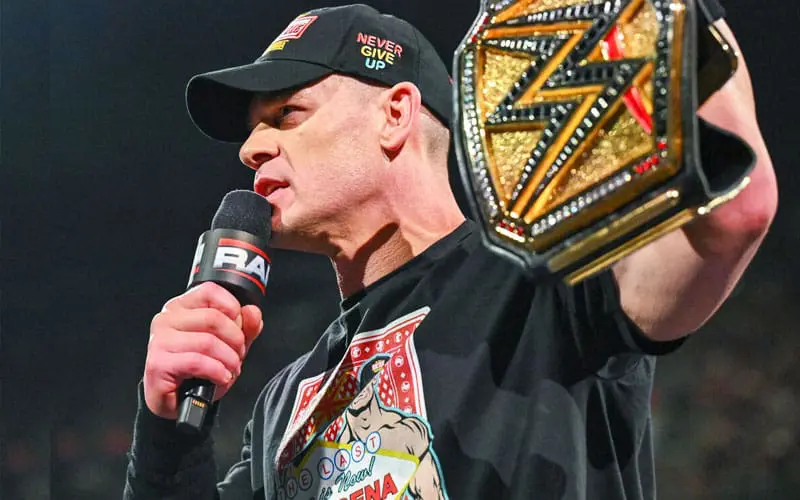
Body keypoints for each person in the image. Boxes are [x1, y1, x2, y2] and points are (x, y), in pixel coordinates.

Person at [123, 2, 777, 499]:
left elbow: (733, 212)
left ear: (395, 114)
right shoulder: (283, 401)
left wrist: (667, 18)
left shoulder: (543, 281)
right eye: (252, 129)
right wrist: (166, 430)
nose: (251, 149)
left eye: (287, 114)